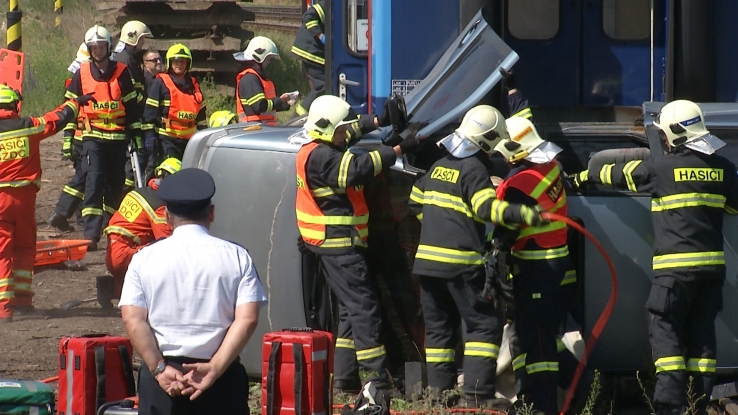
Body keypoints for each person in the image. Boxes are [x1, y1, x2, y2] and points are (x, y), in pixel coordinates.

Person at [572, 100, 738, 415]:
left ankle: (670, 405)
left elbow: (614, 175)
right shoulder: (724, 169)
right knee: (702, 338)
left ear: (674, 134)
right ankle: (697, 404)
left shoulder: (661, 169)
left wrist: (583, 178)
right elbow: (734, 207)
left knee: (665, 329)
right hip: (711, 272)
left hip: (673, 272)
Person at [406, 105, 545, 409]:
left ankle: (439, 399)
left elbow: (416, 203)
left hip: (427, 266)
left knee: (440, 332)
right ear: (488, 140)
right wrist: (523, 213)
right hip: (462, 264)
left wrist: (437, 228)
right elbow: (487, 210)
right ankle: (475, 397)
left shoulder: (437, 165)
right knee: (483, 326)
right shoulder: (474, 169)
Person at [295, 94, 420, 389]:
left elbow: (349, 131)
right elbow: (357, 170)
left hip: (334, 246)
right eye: (340, 130)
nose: (345, 133)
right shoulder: (325, 157)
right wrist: (398, 148)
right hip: (340, 247)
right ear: (328, 130)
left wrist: (378, 121)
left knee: (351, 313)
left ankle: (344, 379)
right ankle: (378, 380)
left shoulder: (316, 143)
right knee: (365, 310)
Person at [119, 168, 267, 414]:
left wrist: (159, 369)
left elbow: (132, 318)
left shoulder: (143, 259)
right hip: (221, 377)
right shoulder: (237, 256)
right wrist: (216, 368)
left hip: (162, 379)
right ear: (211, 213)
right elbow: (248, 318)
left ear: (166, 217)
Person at [493, 116, 570, 414]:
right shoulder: (549, 166)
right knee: (538, 333)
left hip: (537, 268)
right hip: (554, 262)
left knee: (536, 341)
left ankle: (542, 405)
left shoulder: (521, 183)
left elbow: (508, 225)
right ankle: (534, 396)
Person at [0, 86, 94, 322]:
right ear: (16, 105)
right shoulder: (29, 125)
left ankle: (3, 309)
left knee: (2, 252)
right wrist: (76, 103)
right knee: (24, 247)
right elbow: (57, 119)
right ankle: (22, 300)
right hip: (25, 199)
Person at [64, 25, 141, 250]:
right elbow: (70, 106)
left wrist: (136, 134)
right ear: (89, 49)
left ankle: (110, 227)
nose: (97, 51)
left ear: (108, 47)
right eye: (93, 48)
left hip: (117, 138)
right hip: (92, 138)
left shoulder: (122, 72)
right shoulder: (82, 73)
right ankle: (91, 235)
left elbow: (131, 107)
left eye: (101, 47)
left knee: (116, 185)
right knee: (93, 182)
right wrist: (68, 136)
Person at [102, 157, 181, 304]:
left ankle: (111, 288)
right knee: (164, 252)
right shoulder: (159, 205)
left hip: (113, 251)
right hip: (125, 255)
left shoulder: (140, 192)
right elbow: (166, 240)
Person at [48, 43, 94, 232]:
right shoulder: (78, 82)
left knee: (84, 177)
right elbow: (68, 112)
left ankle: (74, 216)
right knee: (84, 177)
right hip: (84, 136)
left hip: (85, 136)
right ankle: (67, 214)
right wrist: (67, 138)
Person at [143, 43, 206, 162]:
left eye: (183, 61)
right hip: (168, 139)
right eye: (176, 61)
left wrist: (203, 135)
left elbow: (201, 114)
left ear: (188, 63)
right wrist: (149, 135)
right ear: (169, 62)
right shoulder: (161, 81)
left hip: (190, 140)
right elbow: (150, 112)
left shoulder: (194, 83)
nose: (179, 64)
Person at [113, 20, 153, 190]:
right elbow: (130, 91)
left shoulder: (126, 57)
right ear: (134, 38)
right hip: (130, 114)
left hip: (130, 113)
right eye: (142, 39)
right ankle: (126, 193)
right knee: (133, 158)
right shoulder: (126, 59)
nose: (143, 43)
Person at [233, 36, 291, 125]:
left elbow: (266, 107)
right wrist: (279, 100)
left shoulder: (256, 77)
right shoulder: (250, 79)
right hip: (253, 131)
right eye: (268, 58)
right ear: (259, 57)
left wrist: (284, 104)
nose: (269, 62)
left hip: (261, 130)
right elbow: (259, 106)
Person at [291, 0, 325, 116]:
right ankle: (297, 118)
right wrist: (320, 35)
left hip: (314, 51)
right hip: (311, 50)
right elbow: (309, 16)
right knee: (323, 87)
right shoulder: (330, 3)